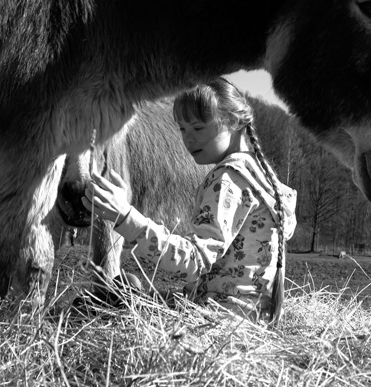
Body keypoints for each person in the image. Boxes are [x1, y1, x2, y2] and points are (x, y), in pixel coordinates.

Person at [82, 78, 297, 322]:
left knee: (121, 291)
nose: (188, 139)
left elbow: (194, 260)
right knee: (125, 289)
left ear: (234, 122)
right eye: (182, 129)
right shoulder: (261, 175)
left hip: (217, 323)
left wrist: (125, 217)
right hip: (252, 319)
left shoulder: (229, 180)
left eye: (198, 128)